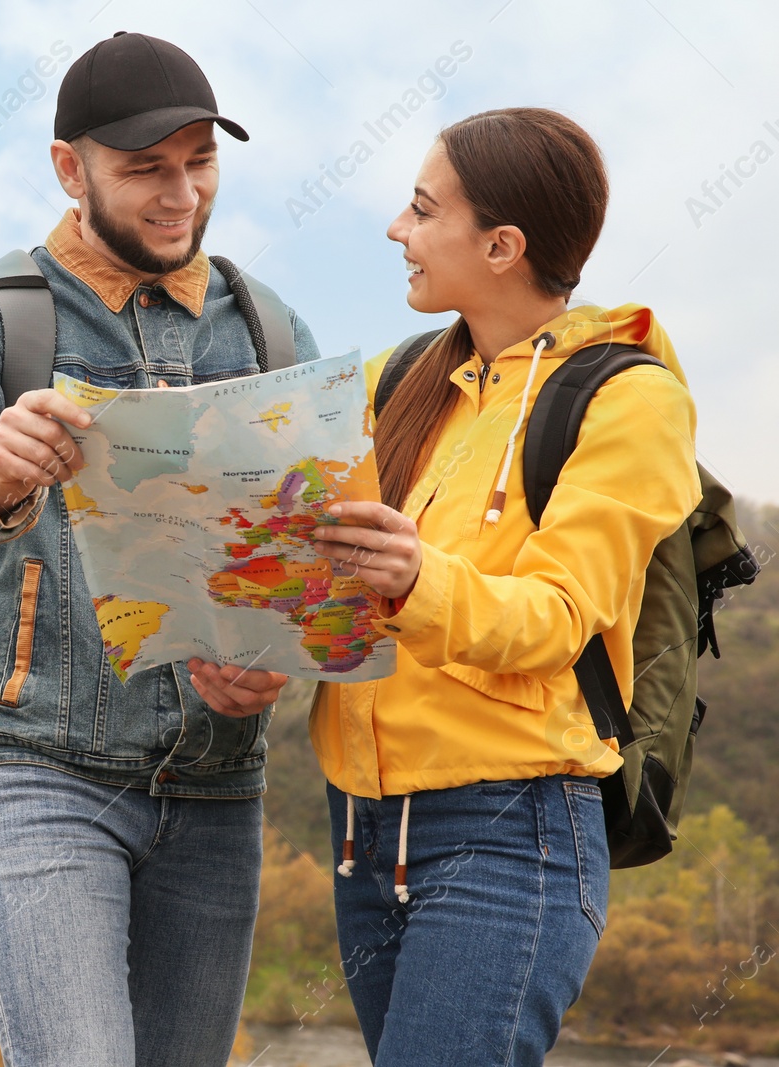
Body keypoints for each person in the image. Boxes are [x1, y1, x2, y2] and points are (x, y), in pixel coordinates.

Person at [0, 31, 320, 1067]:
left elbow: (305, 554)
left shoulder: (269, 329)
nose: (180, 194)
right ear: (68, 168)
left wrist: (272, 661)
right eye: (144, 171)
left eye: (199, 164)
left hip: (220, 793)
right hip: (42, 777)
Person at [306, 107, 700, 1065]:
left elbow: (560, 618)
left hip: (510, 831)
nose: (397, 229)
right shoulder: (392, 382)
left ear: (500, 245)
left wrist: (415, 578)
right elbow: (310, 574)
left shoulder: (628, 399)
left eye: (420, 209)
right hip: (360, 836)